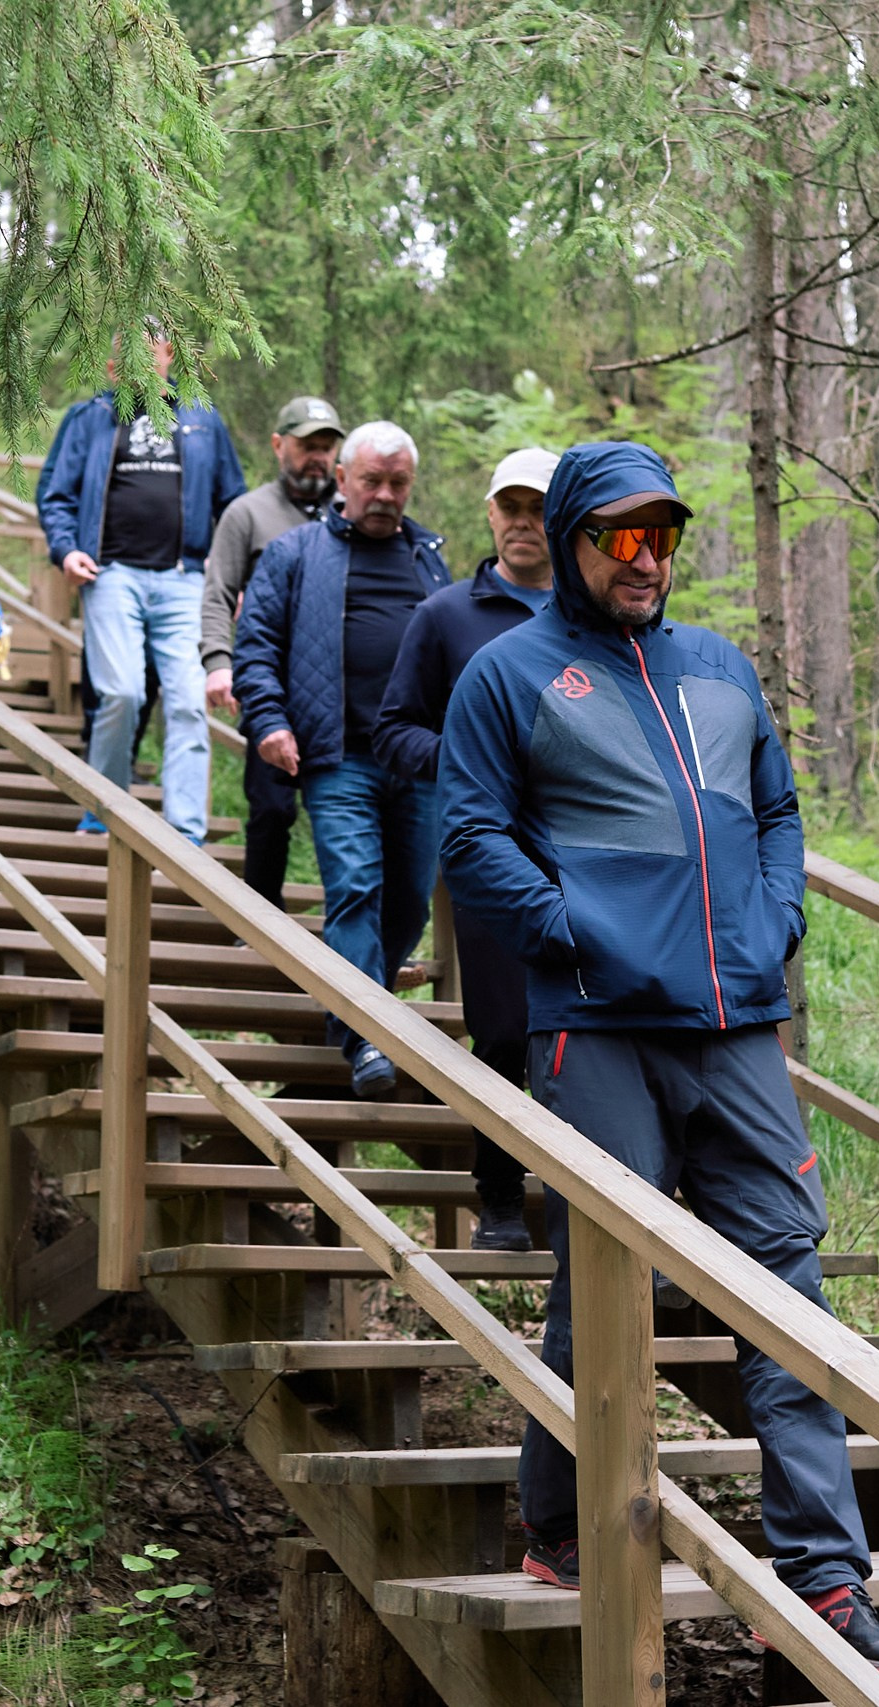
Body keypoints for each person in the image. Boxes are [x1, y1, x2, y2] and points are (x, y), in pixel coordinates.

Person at [435, 442, 879, 1688]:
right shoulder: (510, 674)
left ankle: (823, 1580)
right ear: (569, 538)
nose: (646, 558)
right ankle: (561, 1521)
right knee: (609, 1277)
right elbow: (469, 835)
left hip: (734, 1024)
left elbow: (776, 813)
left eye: (661, 536)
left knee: (786, 1283)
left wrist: (776, 923)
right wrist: (570, 933)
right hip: (596, 1025)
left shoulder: (717, 667)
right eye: (619, 537)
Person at [370, 446, 558, 1252]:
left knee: (597, 1030)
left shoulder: (585, 618)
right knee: (505, 1026)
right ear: (489, 513)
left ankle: (607, 1204)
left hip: (587, 851)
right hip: (486, 852)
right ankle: (503, 1201)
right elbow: (392, 730)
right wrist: (465, 754)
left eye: (538, 508)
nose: (522, 522)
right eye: (509, 506)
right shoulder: (445, 615)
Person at [232, 421, 452, 1098]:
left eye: (398, 483)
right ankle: (366, 1037)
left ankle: (359, 1015)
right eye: (372, 481)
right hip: (338, 756)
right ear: (344, 480)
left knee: (410, 900)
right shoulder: (297, 552)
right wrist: (268, 719)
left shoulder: (429, 560)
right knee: (356, 885)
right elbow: (256, 642)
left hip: (416, 758)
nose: (385, 494)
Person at [33, 333, 247, 841]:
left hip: (185, 578)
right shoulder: (89, 418)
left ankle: (186, 835)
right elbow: (55, 493)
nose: (140, 361)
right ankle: (103, 808)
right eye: (127, 353)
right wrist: (66, 550)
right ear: (111, 365)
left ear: (169, 356)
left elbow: (234, 502)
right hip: (111, 576)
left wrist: (233, 573)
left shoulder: (201, 420)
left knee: (190, 702)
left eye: (150, 350)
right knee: (122, 692)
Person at [202, 395, 344, 903]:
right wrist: (218, 664)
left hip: (342, 692)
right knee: (271, 808)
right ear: (280, 445)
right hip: (271, 686)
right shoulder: (248, 514)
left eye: (327, 447)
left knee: (344, 810)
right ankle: (259, 919)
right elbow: (218, 591)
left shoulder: (352, 515)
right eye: (308, 446)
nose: (318, 457)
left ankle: (346, 934)